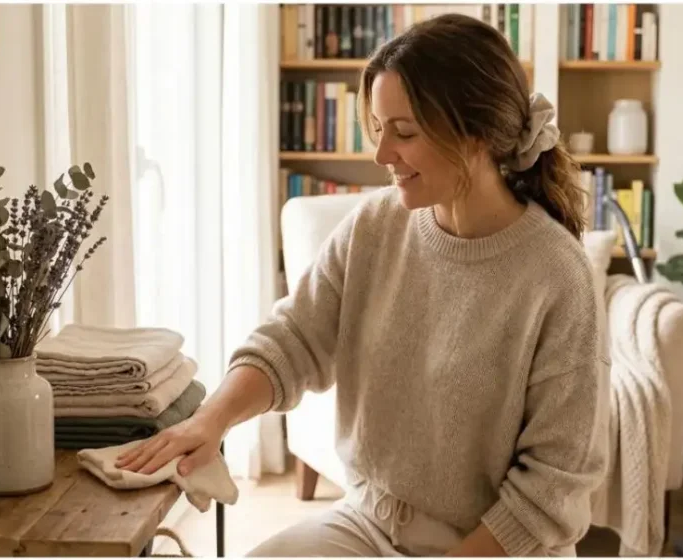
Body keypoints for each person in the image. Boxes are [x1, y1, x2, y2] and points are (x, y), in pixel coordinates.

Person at [116, 13, 611, 557]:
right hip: (368, 526)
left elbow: (556, 482)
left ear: (477, 133)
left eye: (404, 132)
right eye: (378, 129)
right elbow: (292, 340)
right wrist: (210, 421)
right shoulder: (375, 227)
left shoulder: (556, 273)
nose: (381, 156)